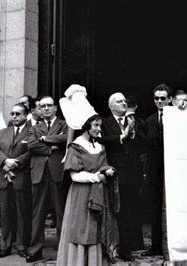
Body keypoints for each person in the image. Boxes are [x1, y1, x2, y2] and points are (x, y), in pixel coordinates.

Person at [58, 84, 119, 265]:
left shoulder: (99, 146)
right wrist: (96, 177)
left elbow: (102, 165)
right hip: (81, 195)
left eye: (99, 125)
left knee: (97, 230)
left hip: (99, 194)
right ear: (86, 126)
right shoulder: (76, 146)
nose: (99, 129)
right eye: (96, 126)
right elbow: (74, 176)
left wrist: (107, 171)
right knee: (83, 230)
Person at [99, 92, 145, 261]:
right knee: (113, 212)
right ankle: (109, 248)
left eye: (125, 101)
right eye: (119, 101)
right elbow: (100, 140)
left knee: (128, 212)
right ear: (111, 106)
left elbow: (143, 145)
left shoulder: (132, 121)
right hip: (113, 172)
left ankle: (126, 249)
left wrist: (132, 134)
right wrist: (121, 137)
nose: (124, 103)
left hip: (132, 173)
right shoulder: (104, 122)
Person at [26, 96, 69, 262]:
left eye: (49, 106)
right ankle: (35, 249)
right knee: (38, 213)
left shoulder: (64, 124)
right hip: (39, 173)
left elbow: (67, 139)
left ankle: (63, 249)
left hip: (58, 172)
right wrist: (52, 148)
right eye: (42, 106)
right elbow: (31, 145)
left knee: (61, 211)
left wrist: (46, 139)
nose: (46, 109)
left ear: (55, 108)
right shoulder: (34, 127)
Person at [0, 103, 32, 258]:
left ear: (25, 115)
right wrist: (5, 162)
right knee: (4, 213)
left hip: (21, 176)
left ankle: (22, 245)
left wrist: (16, 163)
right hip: (3, 176)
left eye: (18, 114)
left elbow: (31, 150)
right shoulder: (2, 132)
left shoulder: (31, 132)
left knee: (22, 212)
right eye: (12, 113)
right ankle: (5, 245)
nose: (14, 116)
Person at [143, 84, 173, 257]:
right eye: (156, 98)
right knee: (154, 207)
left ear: (169, 99)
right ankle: (156, 246)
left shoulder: (179, 117)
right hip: (155, 170)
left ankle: (173, 246)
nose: (160, 101)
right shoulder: (150, 121)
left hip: (173, 168)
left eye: (163, 98)